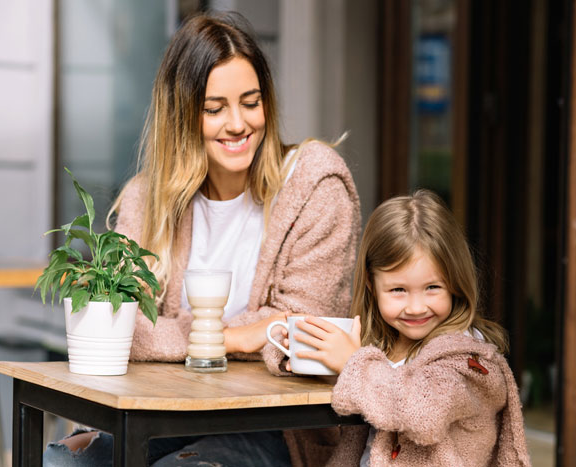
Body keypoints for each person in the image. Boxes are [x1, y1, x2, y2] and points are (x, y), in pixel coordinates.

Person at [43, 11, 360, 467]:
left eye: (251, 102)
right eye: (214, 108)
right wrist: (230, 336)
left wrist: (198, 337)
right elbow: (121, 326)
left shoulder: (314, 185)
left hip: (274, 426)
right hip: (158, 412)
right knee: (64, 463)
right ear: (182, 115)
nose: (237, 123)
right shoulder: (147, 200)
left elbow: (308, 334)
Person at [290, 190, 531, 466]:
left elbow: (423, 411)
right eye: (398, 290)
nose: (416, 307)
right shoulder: (381, 343)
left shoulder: (470, 362)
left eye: (432, 288)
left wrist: (352, 364)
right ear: (371, 284)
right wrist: (296, 347)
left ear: (454, 283)